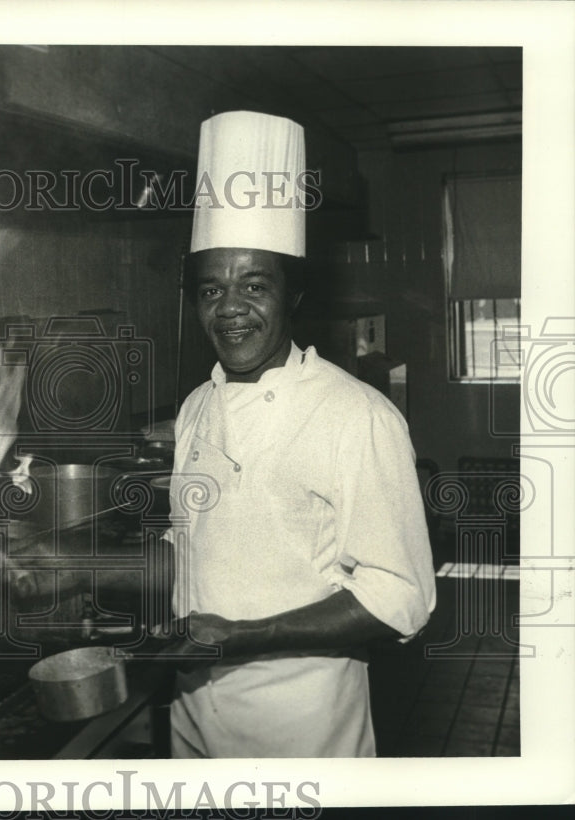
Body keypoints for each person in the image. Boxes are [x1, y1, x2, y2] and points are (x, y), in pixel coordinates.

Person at [163, 111, 436, 758]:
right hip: (192, 720)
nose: (229, 308)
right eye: (211, 289)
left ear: (294, 295)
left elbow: (402, 599)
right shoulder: (195, 409)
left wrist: (243, 637)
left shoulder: (356, 417)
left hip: (302, 737)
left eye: (254, 285)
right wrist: (64, 572)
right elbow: (191, 550)